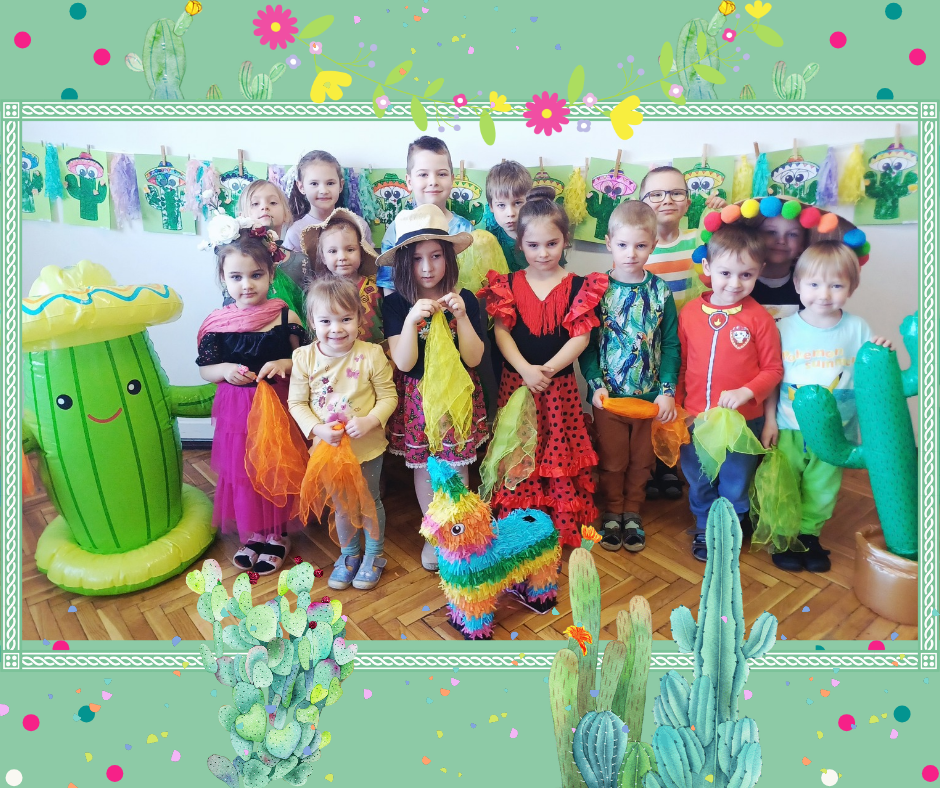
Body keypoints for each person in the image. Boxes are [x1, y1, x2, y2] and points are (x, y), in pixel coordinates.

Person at [480, 194, 607, 549]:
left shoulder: (580, 286)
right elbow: (501, 333)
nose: (543, 253)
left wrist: (547, 371)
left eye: (552, 243)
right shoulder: (508, 284)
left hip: (558, 388)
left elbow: (581, 337)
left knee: (556, 446)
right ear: (520, 244)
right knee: (520, 445)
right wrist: (525, 370)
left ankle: (557, 521)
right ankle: (521, 522)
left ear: (565, 240)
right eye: (533, 245)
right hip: (517, 385)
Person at [761, 241, 891, 572]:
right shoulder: (783, 328)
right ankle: (784, 536)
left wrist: (881, 351)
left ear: (851, 287)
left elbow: (872, 374)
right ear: (798, 284)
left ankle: (809, 535)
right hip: (788, 428)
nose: (824, 294)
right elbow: (773, 379)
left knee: (822, 487)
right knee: (784, 483)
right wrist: (769, 421)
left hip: (836, 434)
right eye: (815, 284)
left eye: (836, 285)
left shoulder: (858, 328)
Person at [196, 216, 307, 575]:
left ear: (271, 275)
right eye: (236, 277)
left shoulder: (285, 316)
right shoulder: (217, 323)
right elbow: (206, 369)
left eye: (256, 275)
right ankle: (254, 533)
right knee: (244, 470)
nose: (247, 285)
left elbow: (305, 360)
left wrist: (284, 362)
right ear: (223, 278)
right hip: (237, 411)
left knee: (275, 465)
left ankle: (278, 533)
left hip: (277, 404)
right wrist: (226, 370)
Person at [381, 205, 488, 571]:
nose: (427, 267)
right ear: (404, 264)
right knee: (426, 469)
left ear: (448, 258)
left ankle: (458, 533)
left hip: (457, 398)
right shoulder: (396, 304)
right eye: (417, 259)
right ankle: (436, 535)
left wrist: (461, 316)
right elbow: (404, 363)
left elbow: (474, 357)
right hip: (419, 401)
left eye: (436, 256)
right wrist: (411, 321)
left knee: (457, 467)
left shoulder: (465, 299)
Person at [677, 224, 783, 562]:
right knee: (699, 477)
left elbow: (773, 370)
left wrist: (746, 391)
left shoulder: (760, 319)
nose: (735, 283)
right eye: (725, 273)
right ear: (707, 268)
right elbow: (681, 364)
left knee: (735, 480)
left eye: (746, 275)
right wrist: (679, 409)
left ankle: (729, 528)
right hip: (696, 419)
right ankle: (704, 525)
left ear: (759, 272)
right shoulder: (689, 313)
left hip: (743, 422)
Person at [582, 201, 680, 553]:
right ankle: (612, 511)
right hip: (609, 399)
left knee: (642, 461)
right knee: (612, 461)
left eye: (640, 245)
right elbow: (587, 344)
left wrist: (667, 390)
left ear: (653, 245)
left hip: (649, 399)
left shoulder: (661, 292)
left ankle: (633, 512)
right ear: (609, 243)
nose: (631, 253)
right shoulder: (597, 291)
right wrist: (595, 384)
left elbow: (671, 344)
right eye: (623, 245)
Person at [287, 278, 397, 590]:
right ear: (312, 322)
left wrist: (371, 420)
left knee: (369, 499)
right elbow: (296, 402)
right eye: (326, 321)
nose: (336, 329)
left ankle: (374, 554)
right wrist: (317, 429)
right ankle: (349, 554)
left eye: (346, 319)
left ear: (360, 318)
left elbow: (389, 397)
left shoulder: (371, 354)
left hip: (367, 446)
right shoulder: (304, 358)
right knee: (341, 503)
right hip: (329, 449)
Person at [640, 166, 723, 500]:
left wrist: (716, 220)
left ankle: (672, 465)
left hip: (690, 341)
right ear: (642, 202)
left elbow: (722, 259)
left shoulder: (697, 240)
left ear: (688, 202)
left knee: (679, 402)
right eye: (656, 194)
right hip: (651, 341)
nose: (667, 200)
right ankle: (652, 465)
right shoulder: (640, 247)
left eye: (676, 193)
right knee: (653, 401)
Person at [377, 136, 473, 291]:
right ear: (409, 181)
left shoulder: (465, 229)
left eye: (442, 174)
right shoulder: (397, 228)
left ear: (452, 179)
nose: (433, 181)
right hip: (409, 306)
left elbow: (474, 281)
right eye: (423, 174)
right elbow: (389, 284)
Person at [218, 180, 308, 326]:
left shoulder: (301, 261)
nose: (264, 207)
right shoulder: (233, 260)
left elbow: (311, 307)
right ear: (241, 216)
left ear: (286, 213)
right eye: (255, 204)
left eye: (273, 203)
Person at [302, 207, 384, 344]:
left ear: (361, 252)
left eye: (350, 249)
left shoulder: (375, 288)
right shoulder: (319, 293)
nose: (342, 257)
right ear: (323, 257)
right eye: (333, 251)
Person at [282, 150, 373, 253]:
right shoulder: (295, 233)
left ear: (341, 185)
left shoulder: (359, 226)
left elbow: (370, 261)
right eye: (314, 183)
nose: (323, 191)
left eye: (330, 183)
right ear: (301, 187)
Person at [752, 210, 809, 321]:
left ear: (802, 244)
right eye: (771, 232)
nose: (781, 241)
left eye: (792, 234)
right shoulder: (738, 284)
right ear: (755, 238)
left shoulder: (810, 286)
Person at [480, 160, 533, 272]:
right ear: (491, 206)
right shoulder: (488, 239)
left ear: (529, 201)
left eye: (517, 203)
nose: (510, 213)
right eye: (501, 205)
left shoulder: (541, 234)